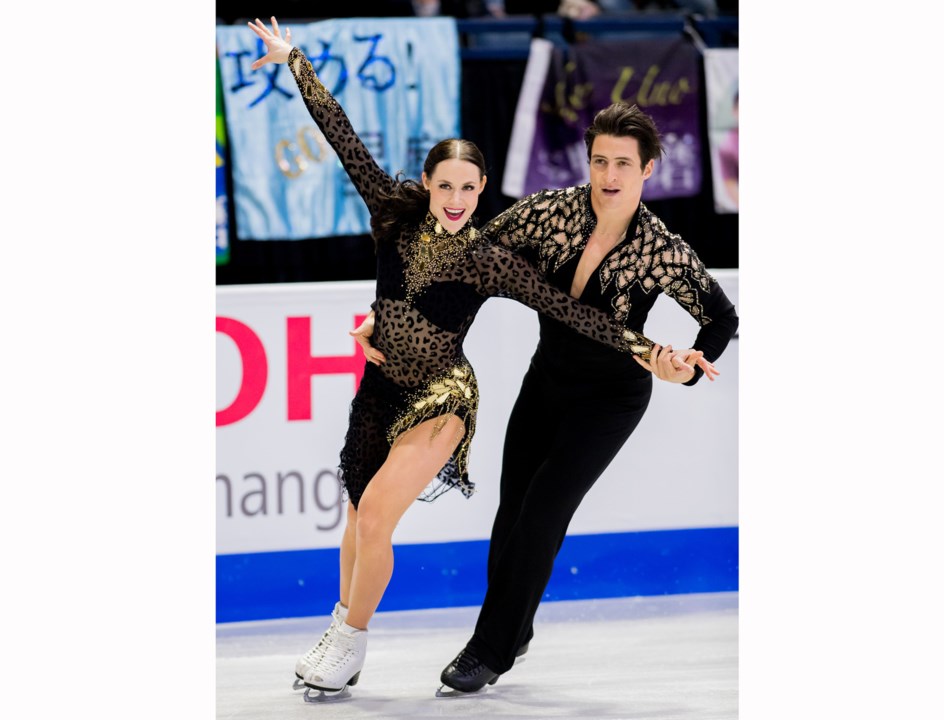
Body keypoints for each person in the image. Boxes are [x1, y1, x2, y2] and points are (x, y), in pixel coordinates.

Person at [244, 18, 712, 698]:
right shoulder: (391, 215)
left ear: (482, 188)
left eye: (470, 189)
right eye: (446, 187)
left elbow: (574, 313)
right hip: (379, 391)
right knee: (354, 524)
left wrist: (647, 349)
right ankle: (339, 626)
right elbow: (339, 133)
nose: (458, 200)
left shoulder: (490, 261)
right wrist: (294, 60)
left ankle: (349, 643)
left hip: (442, 399)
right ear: (428, 184)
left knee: (375, 517)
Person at [353, 102, 738, 693]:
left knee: (542, 516)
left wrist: (683, 368)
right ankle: (517, 627)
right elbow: (467, 262)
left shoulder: (661, 248)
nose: (609, 175)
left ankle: (489, 651)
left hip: (610, 399)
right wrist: (389, 320)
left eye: (623, 165)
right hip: (547, 379)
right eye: (599, 161)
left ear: (649, 170)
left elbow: (721, 318)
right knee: (511, 518)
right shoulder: (550, 212)